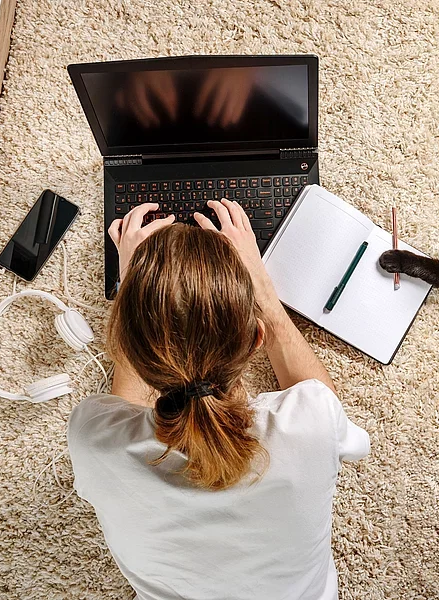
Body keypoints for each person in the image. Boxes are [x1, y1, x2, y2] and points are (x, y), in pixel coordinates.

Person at [67, 199, 370, 600]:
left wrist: (134, 291)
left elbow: (126, 405)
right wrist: (260, 285)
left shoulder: (92, 439)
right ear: (256, 340)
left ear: (125, 344)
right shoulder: (312, 421)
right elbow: (337, 422)